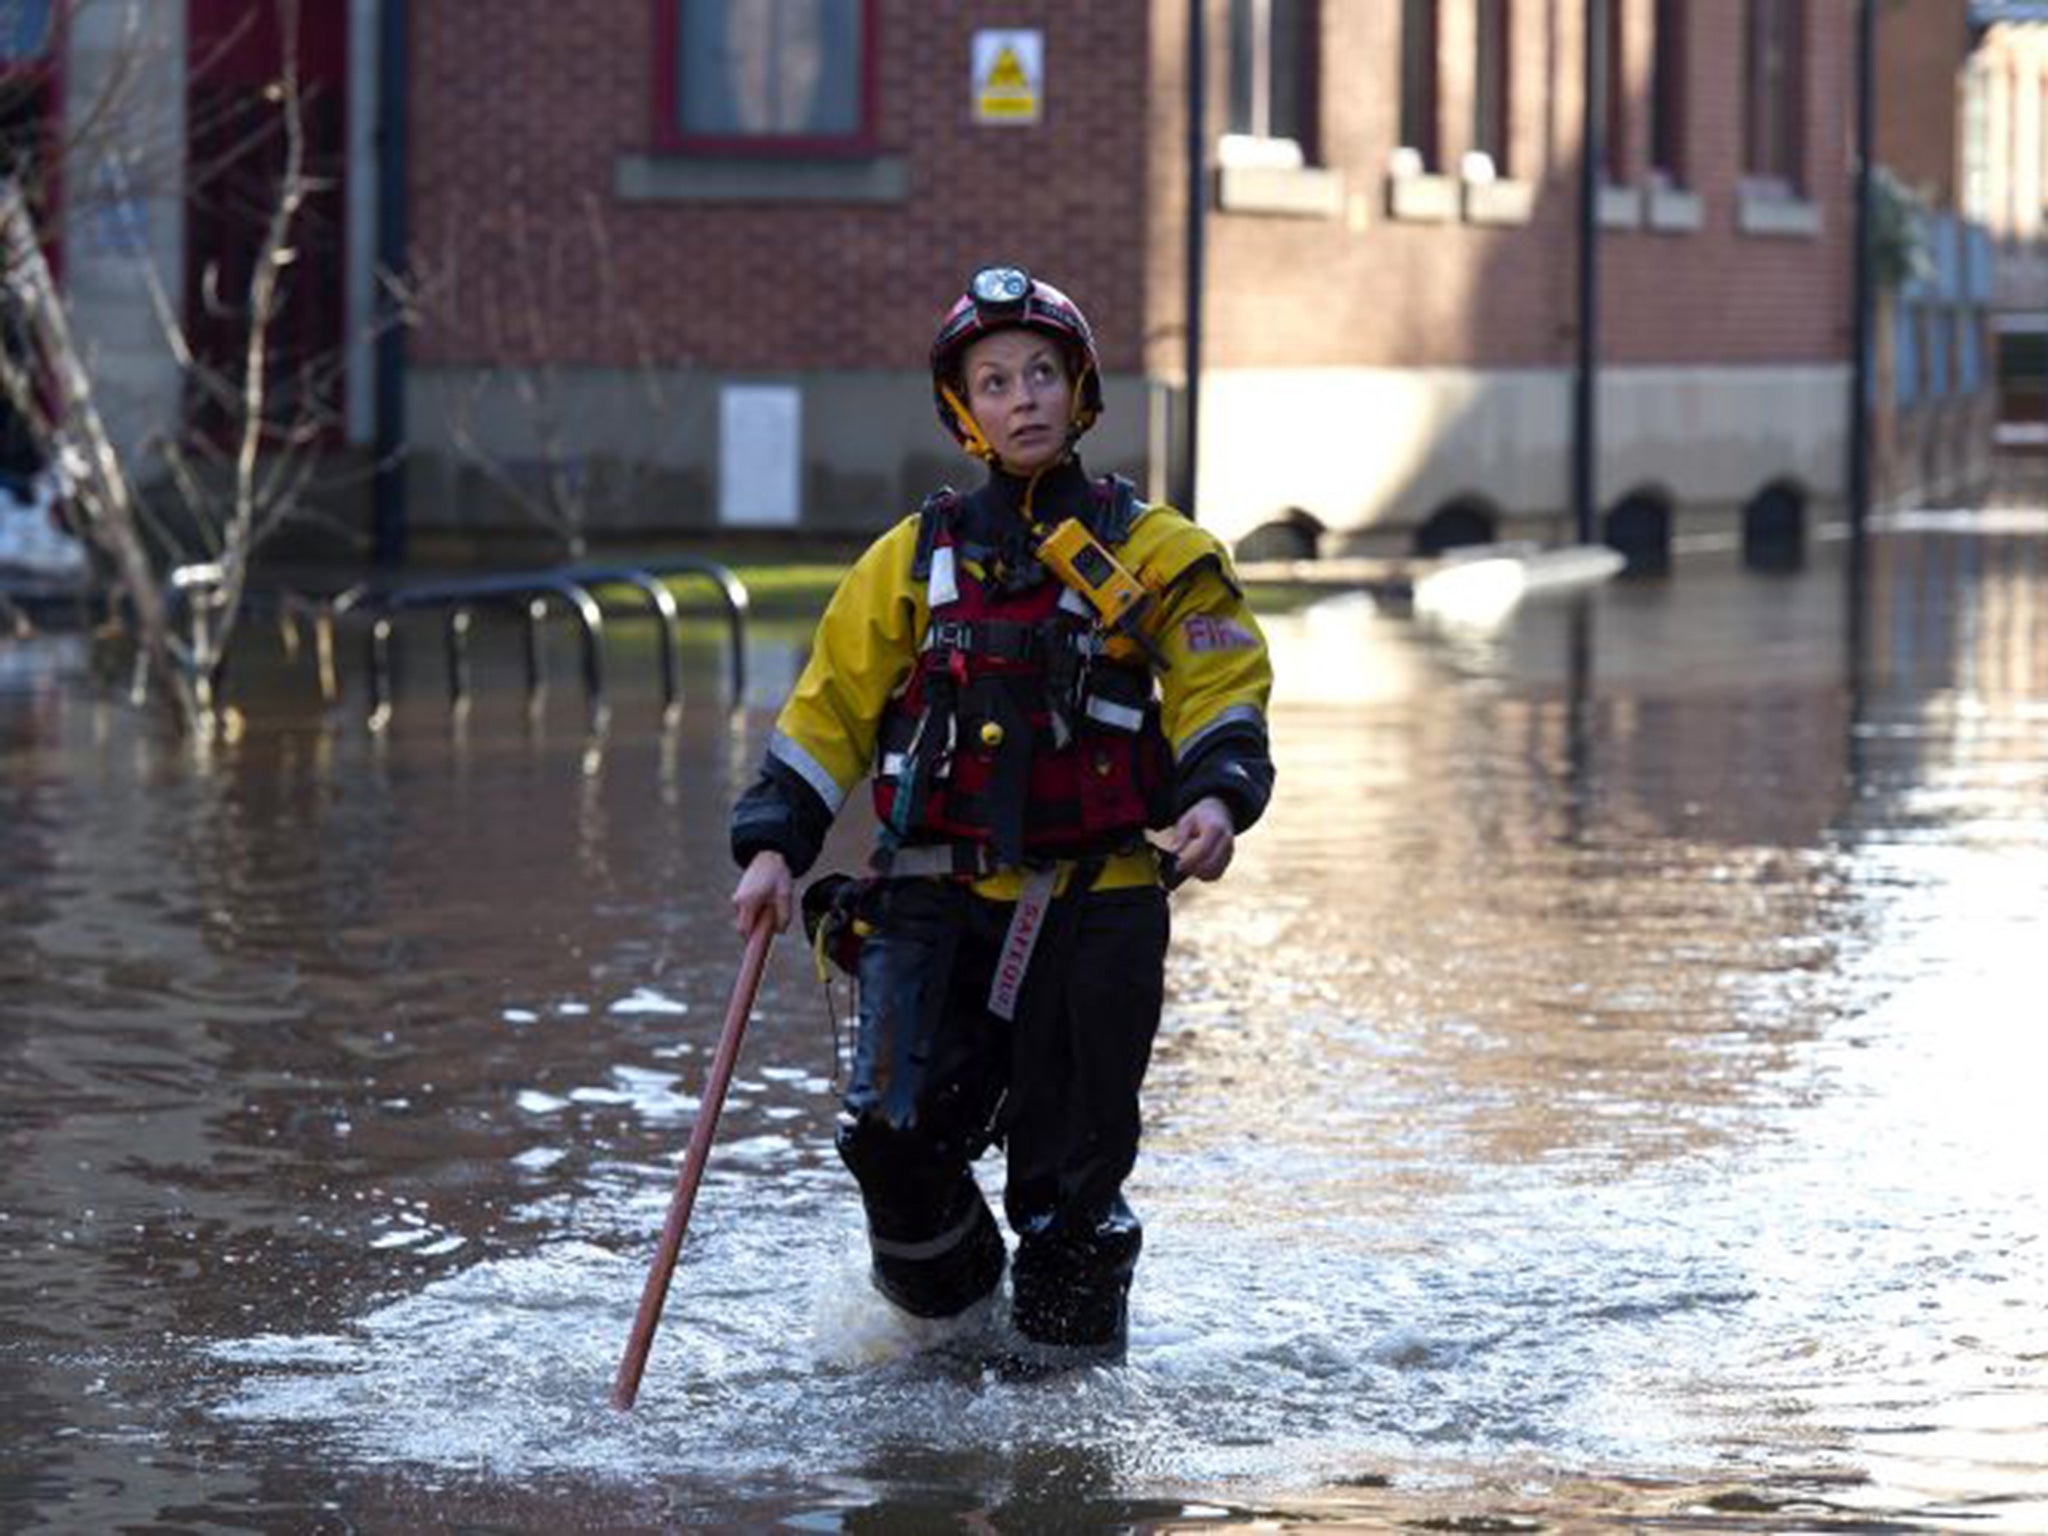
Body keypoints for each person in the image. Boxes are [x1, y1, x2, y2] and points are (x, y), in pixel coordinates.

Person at [729, 265, 1274, 1369]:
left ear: (1079, 391)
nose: (1020, 397)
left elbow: (1221, 685)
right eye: (992, 381)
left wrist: (1215, 797)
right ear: (960, 412)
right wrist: (772, 846)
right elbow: (826, 710)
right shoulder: (911, 560)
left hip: (1097, 909)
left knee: (1070, 1190)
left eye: (1040, 373)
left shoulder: (1160, 552)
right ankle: (955, 1325)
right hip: (933, 898)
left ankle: (1056, 1415)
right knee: (888, 1132)